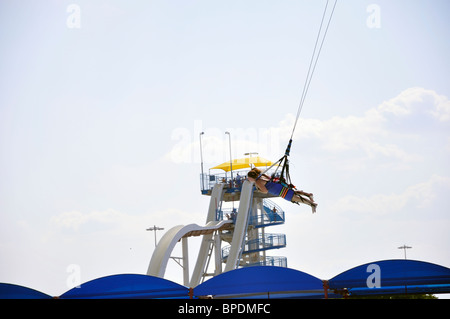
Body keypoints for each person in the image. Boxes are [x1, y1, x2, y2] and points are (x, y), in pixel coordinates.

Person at [247, 168, 317, 213]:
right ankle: (308, 195)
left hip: (279, 191)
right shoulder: (262, 175)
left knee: (297, 199)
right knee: (293, 193)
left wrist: (259, 190)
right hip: (279, 186)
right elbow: (270, 178)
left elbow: (265, 191)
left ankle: (312, 204)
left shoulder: (258, 181)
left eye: (248, 178)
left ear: (251, 177)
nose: (248, 179)